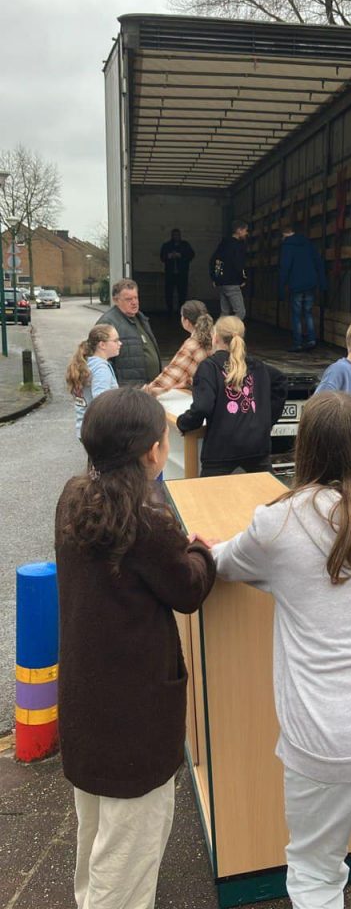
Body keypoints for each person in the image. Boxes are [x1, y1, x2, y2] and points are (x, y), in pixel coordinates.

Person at [212, 391, 351, 909]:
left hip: (322, 735)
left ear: (306, 449)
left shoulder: (277, 526)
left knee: (316, 871)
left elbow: (226, 562)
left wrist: (205, 550)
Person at [55, 388, 215, 909]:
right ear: (152, 451)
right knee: (129, 851)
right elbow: (187, 589)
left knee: (97, 831)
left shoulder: (74, 498)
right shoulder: (147, 518)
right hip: (135, 715)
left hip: (86, 701)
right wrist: (200, 551)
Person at [177, 315, 287, 476]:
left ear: (215, 337)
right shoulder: (257, 366)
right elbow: (281, 382)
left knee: (208, 492)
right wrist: (265, 421)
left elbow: (202, 407)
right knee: (266, 491)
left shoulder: (209, 367)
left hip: (220, 450)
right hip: (257, 447)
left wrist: (184, 423)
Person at [97, 278, 162, 387]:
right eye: (128, 299)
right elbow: (100, 361)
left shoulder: (141, 318)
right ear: (116, 300)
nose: (134, 302)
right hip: (129, 390)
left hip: (148, 387)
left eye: (136, 297)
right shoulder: (107, 323)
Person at [143, 300, 214, 397]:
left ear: (186, 321)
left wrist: (146, 391)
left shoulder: (192, 346)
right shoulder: (217, 338)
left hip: (204, 398)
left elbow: (170, 377)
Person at [65, 324, 121, 437]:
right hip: (98, 432)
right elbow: (102, 403)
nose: (120, 343)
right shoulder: (101, 369)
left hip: (84, 428)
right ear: (102, 345)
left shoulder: (88, 364)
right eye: (116, 340)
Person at [279, 224, 326, 352]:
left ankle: (298, 343)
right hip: (311, 283)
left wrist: (281, 286)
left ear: (284, 235)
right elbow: (318, 262)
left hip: (296, 284)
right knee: (308, 313)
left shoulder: (287, 246)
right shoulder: (308, 244)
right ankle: (311, 340)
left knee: (296, 315)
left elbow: (285, 267)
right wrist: (322, 283)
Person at [209, 222, 249, 319]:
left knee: (225, 313)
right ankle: (232, 329)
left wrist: (216, 278)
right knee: (240, 312)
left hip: (222, 283)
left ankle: (221, 329)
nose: (246, 233)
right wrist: (242, 279)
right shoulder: (237, 245)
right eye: (245, 230)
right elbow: (238, 264)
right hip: (232, 282)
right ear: (239, 230)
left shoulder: (223, 244)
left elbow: (215, 261)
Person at [160, 228, 195, 314]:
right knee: (169, 293)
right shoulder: (167, 245)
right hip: (170, 274)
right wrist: (169, 256)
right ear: (172, 236)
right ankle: (169, 310)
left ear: (180, 236)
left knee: (182, 293)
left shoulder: (185, 245)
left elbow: (191, 255)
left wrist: (181, 255)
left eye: (177, 235)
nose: (176, 237)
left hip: (182, 274)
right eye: (174, 235)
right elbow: (162, 257)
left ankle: (181, 310)